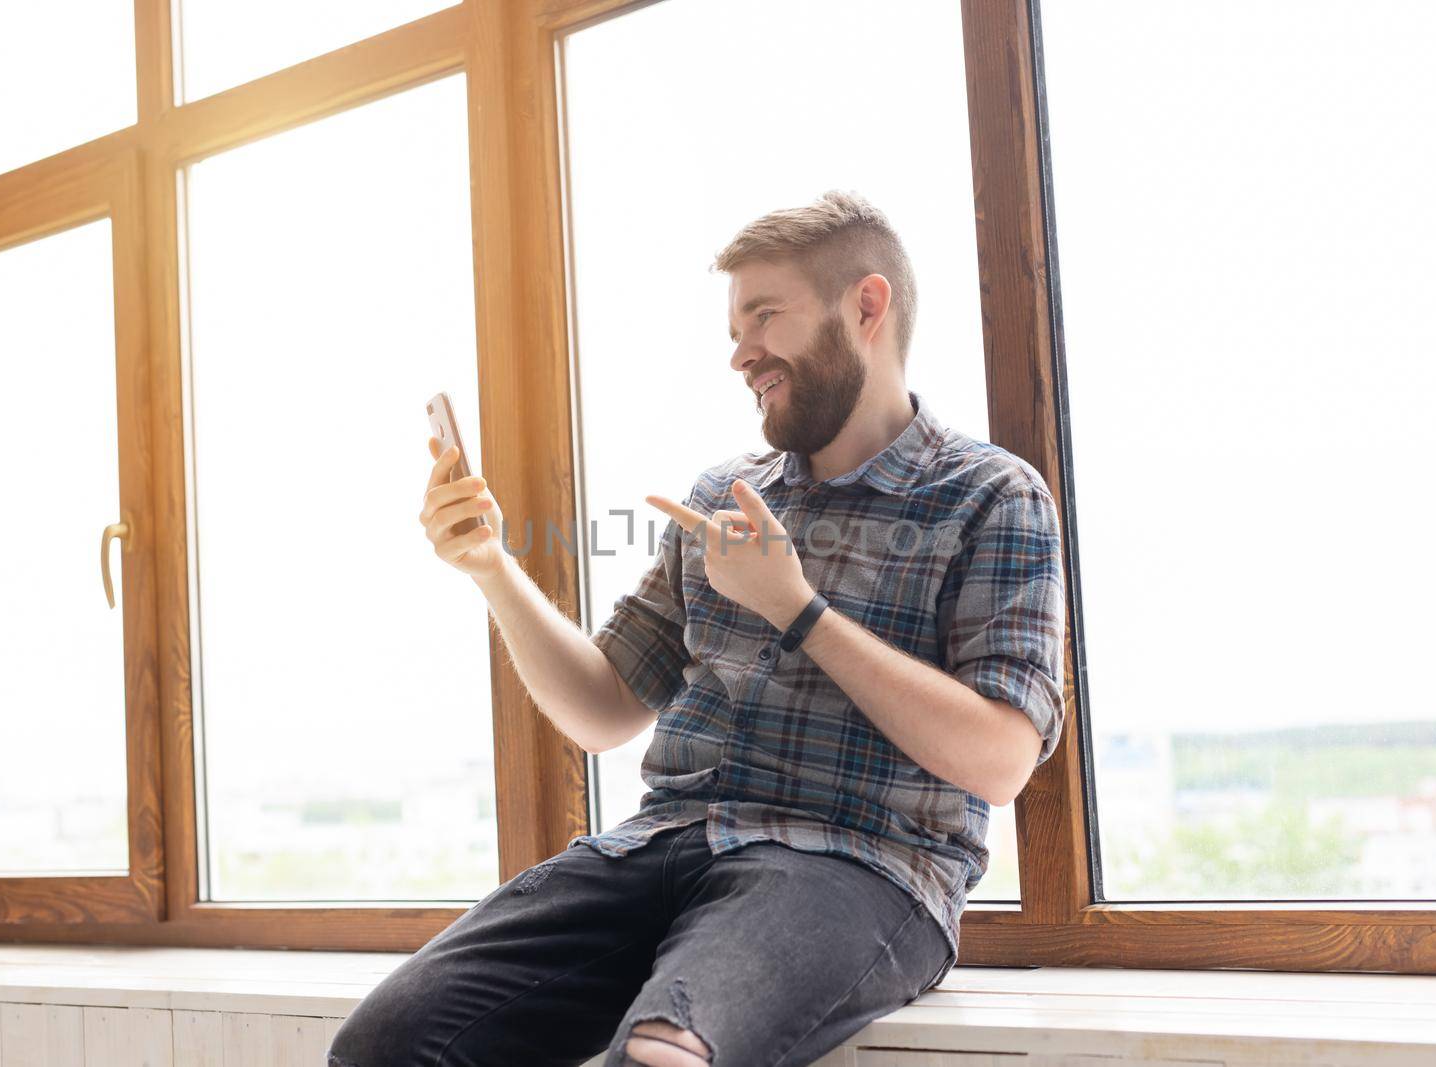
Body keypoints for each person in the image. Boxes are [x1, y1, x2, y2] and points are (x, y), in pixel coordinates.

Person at [328, 190, 1067, 1067]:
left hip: (858, 866)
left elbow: (1001, 759)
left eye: (764, 317)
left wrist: (797, 609)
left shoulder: (989, 496)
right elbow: (603, 706)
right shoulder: (719, 498)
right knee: (388, 1045)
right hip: (661, 848)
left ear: (867, 306)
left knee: (663, 1055)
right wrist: (491, 565)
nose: (741, 354)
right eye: (734, 328)